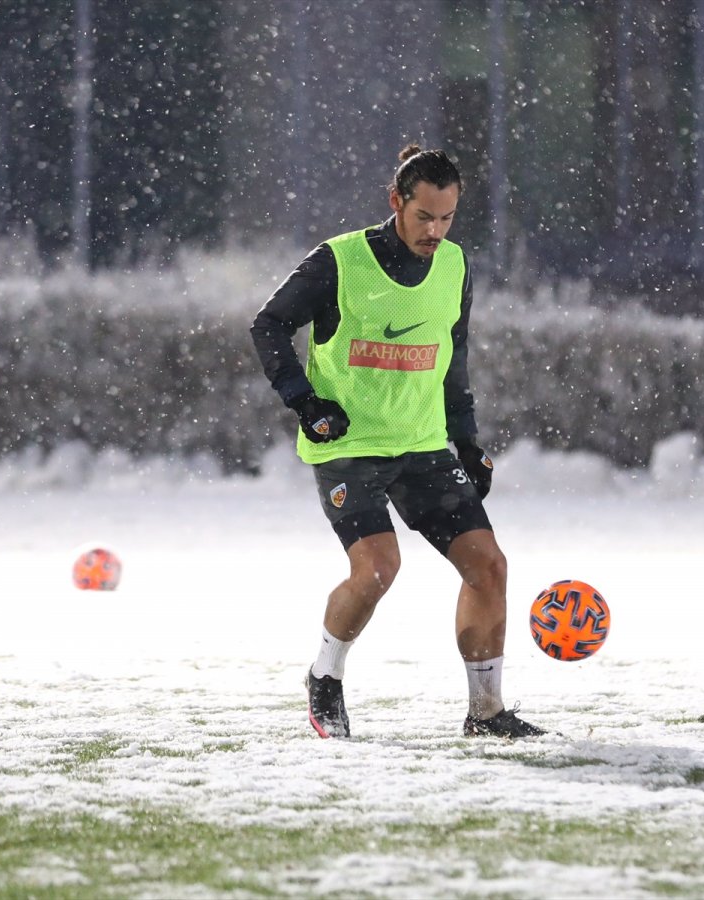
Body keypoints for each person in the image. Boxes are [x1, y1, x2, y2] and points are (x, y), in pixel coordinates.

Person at [251, 144, 544, 740]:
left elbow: (452, 357)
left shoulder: (455, 267)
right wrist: (305, 402)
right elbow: (270, 324)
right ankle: (324, 678)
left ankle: (486, 714)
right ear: (396, 202)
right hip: (349, 448)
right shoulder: (339, 261)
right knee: (379, 569)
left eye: (447, 218)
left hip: (423, 446)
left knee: (489, 566)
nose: (434, 231)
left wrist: (465, 440)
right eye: (424, 217)